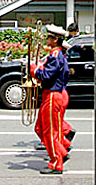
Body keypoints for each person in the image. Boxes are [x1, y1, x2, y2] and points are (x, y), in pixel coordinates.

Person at [30, 24, 70, 174]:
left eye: (49, 37)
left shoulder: (55, 56)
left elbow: (46, 75)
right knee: (48, 129)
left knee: (49, 131)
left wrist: (35, 70)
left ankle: (56, 163)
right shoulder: (56, 55)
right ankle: (61, 153)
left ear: (55, 39)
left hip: (53, 94)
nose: (47, 40)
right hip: (53, 93)